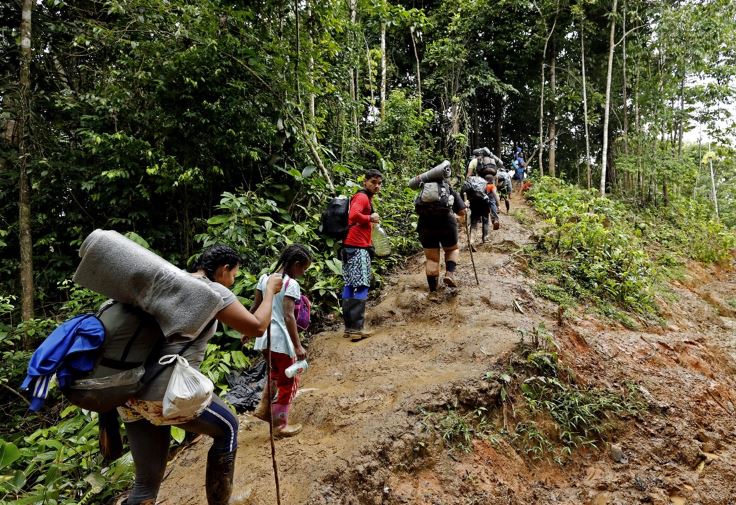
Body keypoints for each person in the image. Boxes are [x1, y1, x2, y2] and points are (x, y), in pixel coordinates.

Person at [117, 245, 283, 505]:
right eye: (234, 275)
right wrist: (271, 291)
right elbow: (258, 326)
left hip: (128, 393)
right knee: (228, 427)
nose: (233, 281)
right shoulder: (212, 290)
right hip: (165, 392)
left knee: (144, 487)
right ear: (223, 270)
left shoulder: (172, 281)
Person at [250, 244, 312, 438]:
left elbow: (256, 306)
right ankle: (280, 425)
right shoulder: (290, 284)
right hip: (281, 340)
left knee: (274, 373)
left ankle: (264, 408)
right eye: (302, 268)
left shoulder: (264, 279)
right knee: (288, 380)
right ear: (295, 264)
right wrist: (298, 345)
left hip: (264, 339)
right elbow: (288, 316)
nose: (302, 273)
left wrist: (248, 330)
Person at [341, 168, 382, 341]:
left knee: (350, 285)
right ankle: (357, 329)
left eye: (379, 183)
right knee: (362, 285)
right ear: (365, 182)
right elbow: (353, 215)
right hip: (357, 247)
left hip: (350, 245)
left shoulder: (364, 197)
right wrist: (370, 218)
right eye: (373, 182)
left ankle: (350, 328)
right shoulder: (362, 197)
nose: (376, 186)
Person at [415, 174, 467, 297]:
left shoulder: (423, 190)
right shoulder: (448, 189)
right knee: (452, 249)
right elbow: (462, 212)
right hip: (447, 224)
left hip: (425, 225)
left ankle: (433, 292)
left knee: (432, 259)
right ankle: (449, 274)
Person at [460, 176, 490, 244]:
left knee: (474, 220)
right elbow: (487, 195)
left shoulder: (468, 184)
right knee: (485, 219)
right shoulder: (483, 183)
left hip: (472, 201)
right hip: (482, 201)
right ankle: (485, 238)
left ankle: (471, 240)